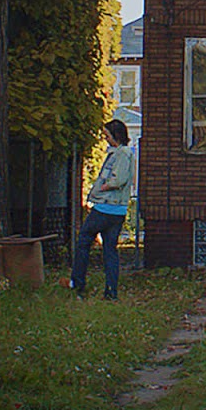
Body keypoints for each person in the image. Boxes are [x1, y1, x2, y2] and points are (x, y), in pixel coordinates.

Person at [69, 119, 133, 300]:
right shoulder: (122, 153)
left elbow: (118, 179)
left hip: (106, 207)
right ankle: (111, 291)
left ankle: (77, 283)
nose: (106, 139)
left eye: (107, 135)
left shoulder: (121, 154)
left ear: (116, 135)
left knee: (84, 240)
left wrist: (104, 187)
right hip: (117, 210)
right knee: (110, 250)